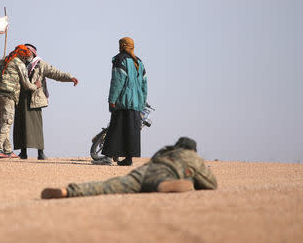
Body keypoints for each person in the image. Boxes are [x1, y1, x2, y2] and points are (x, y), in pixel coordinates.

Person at [41, 137, 217, 199]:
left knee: (108, 186)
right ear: (192, 150)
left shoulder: (165, 151)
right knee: (184, 181)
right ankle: (164, 185)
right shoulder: (193, 157)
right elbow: (211, 183)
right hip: (168, 174)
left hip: (143, 173)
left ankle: (68, 191)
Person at [13, 44, 79, 160]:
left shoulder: (40, 64)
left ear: (33, 52)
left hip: (35, 99)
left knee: (37, 127)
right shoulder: (19, 64)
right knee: (21, 125)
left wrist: (69, 78)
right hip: (21, 98)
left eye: (27, 51)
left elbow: (56, 73)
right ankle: (23, 153)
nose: (25, 53)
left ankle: (40, 153)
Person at [95, 37, 147, 166]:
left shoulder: (120, 59)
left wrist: (112, 99)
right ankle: (128, 159)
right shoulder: (139, 62)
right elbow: (144, 85)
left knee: (115, 128)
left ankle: (107, 158)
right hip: (136, 103)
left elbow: (117, 82)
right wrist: (142, 102)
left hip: (123, 101)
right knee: (132, 130)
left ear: (122, 46)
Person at [0, 44, 41, 158]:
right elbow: (27, 85)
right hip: (8, 95)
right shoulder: (19, 63)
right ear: (23, 55)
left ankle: (7, 150)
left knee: (2, 123)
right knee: (7, 122)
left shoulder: (3, 60)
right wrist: (36, 86)